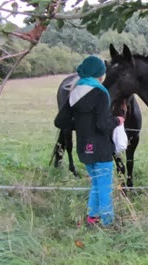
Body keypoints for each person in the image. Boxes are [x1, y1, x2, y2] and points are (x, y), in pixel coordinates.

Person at [54, 55, 124, 227]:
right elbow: (102, 124)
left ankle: (92, 218)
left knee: (96, 184)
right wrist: (117, 121)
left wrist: (81, 125)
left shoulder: (74, 92)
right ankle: (108, 223)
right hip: (101, 148)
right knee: (105, 187)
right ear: (99, 74)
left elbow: (60, 121)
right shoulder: (100, 92)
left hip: (84, 149)